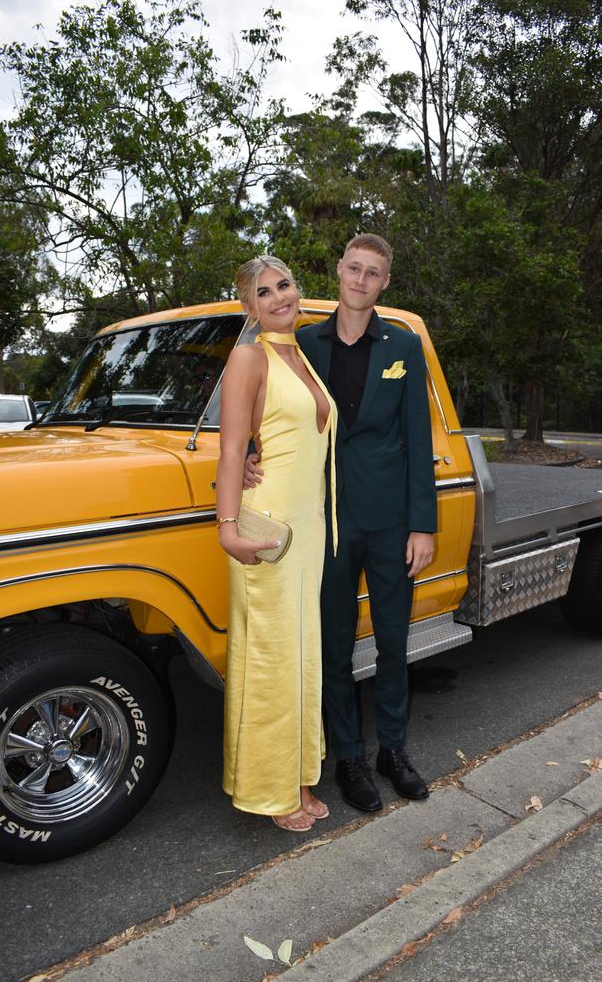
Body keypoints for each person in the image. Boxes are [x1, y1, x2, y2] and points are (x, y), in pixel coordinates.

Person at [245, 234, 437, 813]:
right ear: (338, 270)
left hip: (389, 521)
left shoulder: (404, 345)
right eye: (353, 268)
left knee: (394, 641)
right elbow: (269, 409)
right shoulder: (301, 343)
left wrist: (421, 526)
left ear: (384, 283)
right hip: (323, 521)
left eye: (372, 273)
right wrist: (250, 455)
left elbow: (418, 439)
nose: (359, 280)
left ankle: (394, 751)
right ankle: (349, 756)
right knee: (332, 646)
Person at [216, 256, 337, 832]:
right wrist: (227, 528)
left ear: (298, 288)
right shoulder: (248, 356)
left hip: (308, 529)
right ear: (250, 307)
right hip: (268, 533)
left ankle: (299, 776)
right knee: (269, 660)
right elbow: (232, 446)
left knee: (300, 655)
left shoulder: (303, 353)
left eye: (284, 284)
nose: (278, 297)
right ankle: (269, 789)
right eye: (263, 293)